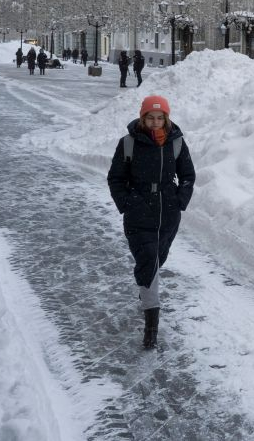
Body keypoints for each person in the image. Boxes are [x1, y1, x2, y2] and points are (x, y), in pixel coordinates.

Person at [106, 95, 195, 349]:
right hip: (138, 214)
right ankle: (151, 327)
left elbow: (188, 175)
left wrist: (180, 200)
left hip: (168, 214)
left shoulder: (176, 142)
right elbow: (115, 178)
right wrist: (127, 203)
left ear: (166, 119)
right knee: (148, 261)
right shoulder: (129, 143)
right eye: (150, 117)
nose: (155, 122)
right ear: (142, 118)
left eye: (160, 118)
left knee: (157, 260)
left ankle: (146, 290)